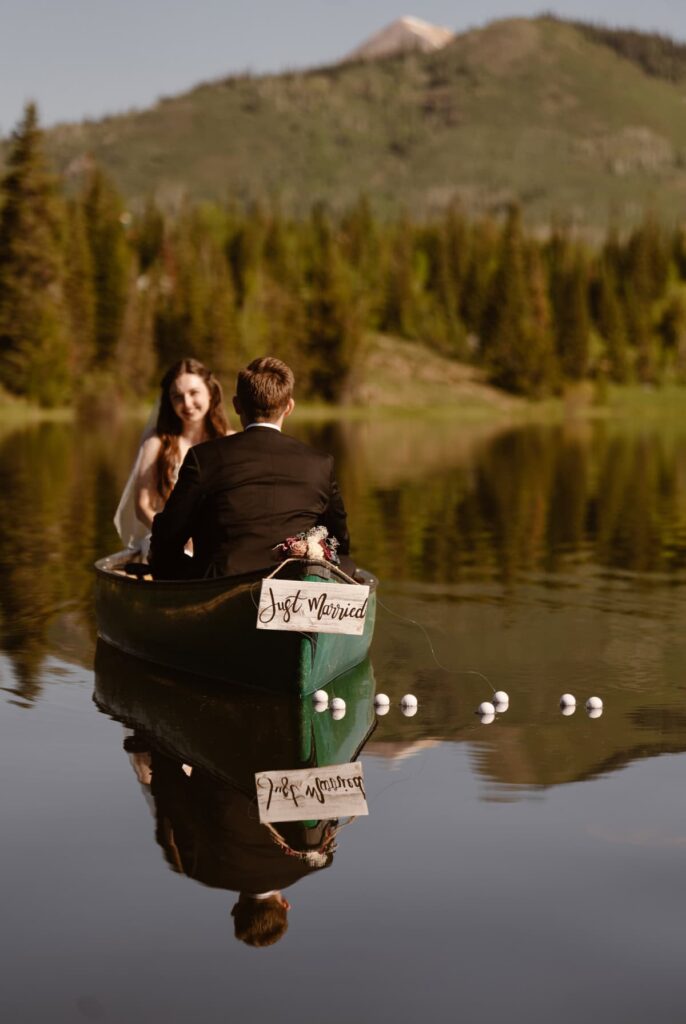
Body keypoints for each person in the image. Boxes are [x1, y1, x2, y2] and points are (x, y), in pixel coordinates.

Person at [149, 356, 352, 579]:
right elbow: (338, 544)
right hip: (294, 589)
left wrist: (171, 572)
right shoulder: (320, 463)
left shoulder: (203, 457)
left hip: (219, 586)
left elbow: (167, 537)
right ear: (289, 407)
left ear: (237, 405)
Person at [114, 358, 232, 555]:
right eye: (177, 397)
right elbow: (142, 506)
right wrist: (177, 537)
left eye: (194, 393)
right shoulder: (157, 442)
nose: (186, 403)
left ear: (210, 393)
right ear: (169, 401)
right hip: (167, 539)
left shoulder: (230, 440)